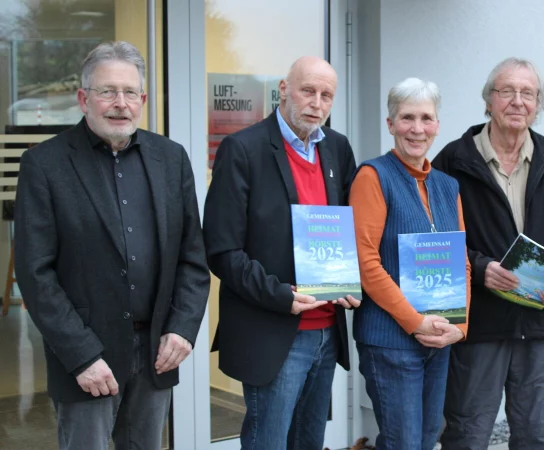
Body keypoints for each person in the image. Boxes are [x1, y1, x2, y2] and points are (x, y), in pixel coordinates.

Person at [14, 41, 210, 450]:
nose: (120, 103)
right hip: (87, 357)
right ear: (84, 98)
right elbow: (35, 273)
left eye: (130, 93)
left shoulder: (171, 159)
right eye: (107, 92)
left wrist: (183, 328)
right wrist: (81, 355)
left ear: (142, 100)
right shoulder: (45, 165)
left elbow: (192, 258)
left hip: (158, 349)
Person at [203, 56, 360, 450]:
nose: (317, 103)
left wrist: (352, 279)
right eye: (308, 91)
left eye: (327, 95)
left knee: (309, 442)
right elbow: (221, 250)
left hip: (327, 329)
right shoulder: (242, 149)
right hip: (274, 331)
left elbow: (350, 230)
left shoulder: (338, 150)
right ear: (284, 90)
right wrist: (281, 297)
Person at [432, 57, 544, 450]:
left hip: (540, 322)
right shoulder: (453, 161)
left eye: (527, 93)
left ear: (538, 104)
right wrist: (480, 268)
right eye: (507, 92)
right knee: (467, 433)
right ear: (488, 101)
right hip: (480, 324)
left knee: (536, 436)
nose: (517, 101)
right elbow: (437, 239)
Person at [349, 77, 471, 449]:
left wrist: (459, 325)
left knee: (426, 438)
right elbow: (366, 262)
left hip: (439, 338)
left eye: (426, 118)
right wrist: (414, 321)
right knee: (403, 443)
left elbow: (461, 263)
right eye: (406, 118)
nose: (417, 129)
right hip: (390, 341)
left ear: (437, 125)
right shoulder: (373, 177)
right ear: (390, 125)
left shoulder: (448, 186)